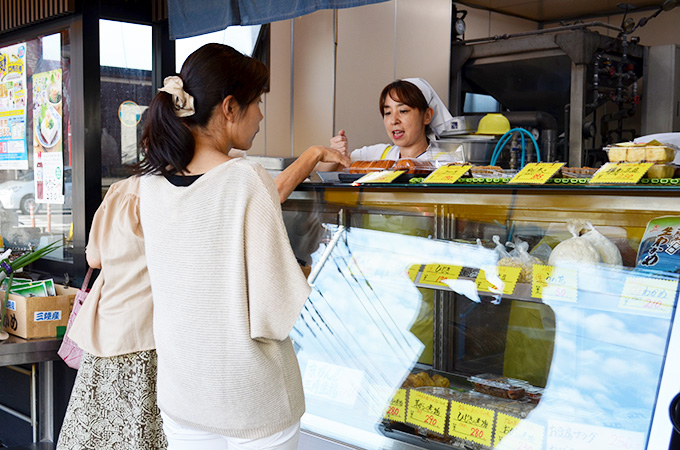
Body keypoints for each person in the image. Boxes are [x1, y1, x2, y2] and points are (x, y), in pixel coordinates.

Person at [137, 43, 340, 450]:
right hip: (251, 397)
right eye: (258, 102)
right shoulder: (246, 178)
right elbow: (276, 309)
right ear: (230, 108)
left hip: (182, 393)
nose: (261, 115)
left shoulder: (150, 185)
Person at [57, 175, 167, 450]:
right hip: (151, 330)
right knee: (143, 428)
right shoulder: (182, 192)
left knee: (96, 429)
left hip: (109, 324)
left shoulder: (121, 190)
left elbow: (94, 258)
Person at [321, 78, 454, 170]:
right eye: (387, 113)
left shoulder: (444, 162)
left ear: (427, 116)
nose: (393, 120)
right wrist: (335, 155)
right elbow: (322, 170)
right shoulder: (379, 154)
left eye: (403, 111)